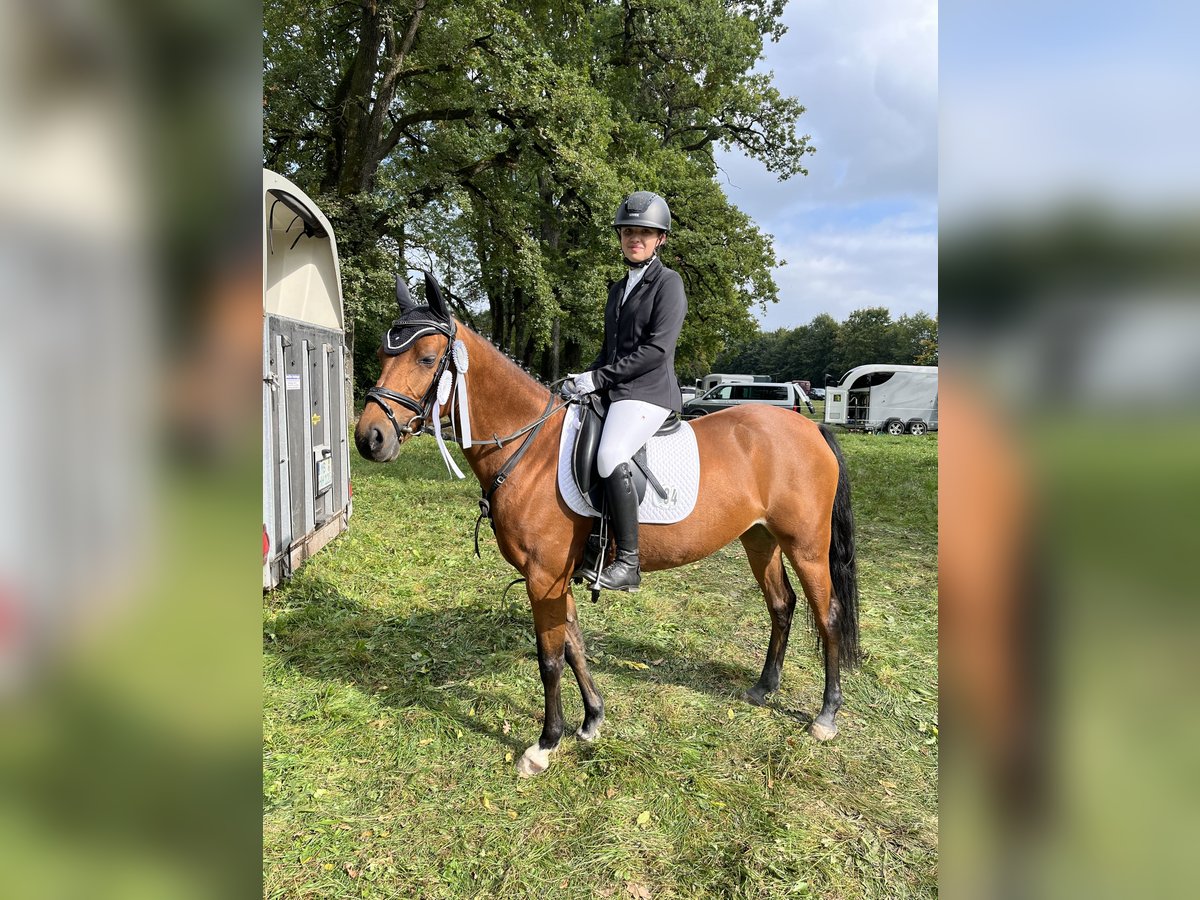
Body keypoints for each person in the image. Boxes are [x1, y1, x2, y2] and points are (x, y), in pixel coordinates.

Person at [561, 191, 687, 591]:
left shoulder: (669, 284)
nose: (636, 238)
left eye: (645, 233)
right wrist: (585, 376)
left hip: (649, 393)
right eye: (629, 231)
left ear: (660, 239)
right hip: (617, 388)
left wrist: (600, 380)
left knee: (612, 453)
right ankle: (592, 542)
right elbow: (610, 350)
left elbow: (657, 350)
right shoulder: (617, 289)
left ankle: (628, 561)